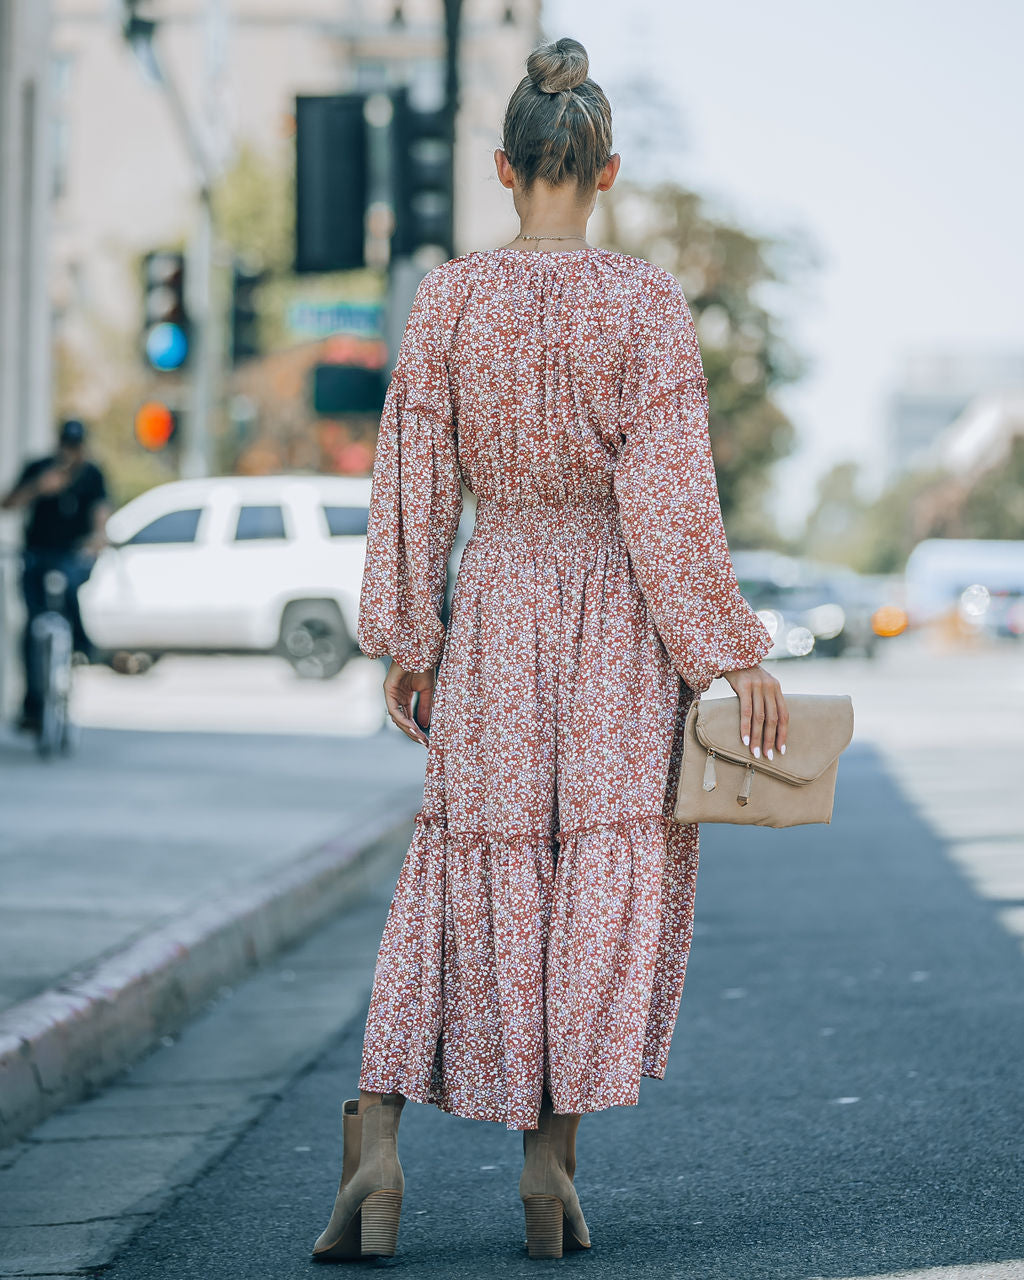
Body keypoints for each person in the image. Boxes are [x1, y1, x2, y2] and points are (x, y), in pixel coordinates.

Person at [312, 36, 788, 1263]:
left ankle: (375, 1146)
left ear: (503, 166)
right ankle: (544, 1171)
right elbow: (671, 502)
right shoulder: (641, 301)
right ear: (607, 168)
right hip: (618, 622)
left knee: (461, 872)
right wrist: (729, 651)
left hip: (499, 608)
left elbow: (410, 479)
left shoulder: (452, 299)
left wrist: (407, 635)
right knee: (592, 886)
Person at [0, 418, 110, 732]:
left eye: (76, 447)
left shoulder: (92, 475)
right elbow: (8, 503)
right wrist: (38, 487)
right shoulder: (39, 467)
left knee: (70, 587)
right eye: (66, 445)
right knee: (33, 625)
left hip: (70, 554)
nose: (70, 453)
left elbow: (100, 512)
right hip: (36, 554)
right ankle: (32, 703)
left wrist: (97, 538)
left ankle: (80, 644)